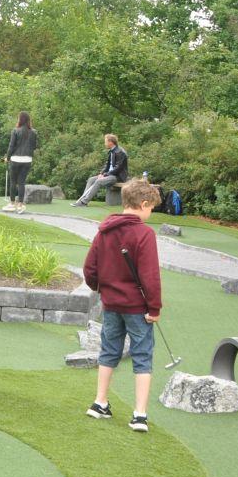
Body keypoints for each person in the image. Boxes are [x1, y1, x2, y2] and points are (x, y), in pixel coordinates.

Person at [83, 179, 163, 433]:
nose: (151, 214)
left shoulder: (105, 230)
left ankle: (100, 402)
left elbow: (89, 268)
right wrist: (154, 308)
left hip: (111, 303)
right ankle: (139, 415)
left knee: (108, 351)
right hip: (137, 307)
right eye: (151, 209)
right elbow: (150, 276)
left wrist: (101, 287)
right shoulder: (144, 233)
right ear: (144, 204)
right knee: (142, 356)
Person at [72, 133, 129, 206]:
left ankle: (84, 202)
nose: (105, 143)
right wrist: (102, 173)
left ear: (111, 142)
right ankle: (81, 200)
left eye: (106, 142)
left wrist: (105, 174)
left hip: (117, 177)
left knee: (99, 181)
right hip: (109, 175)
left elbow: (118, 168)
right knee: (91, 179)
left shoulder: (120, 152)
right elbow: (107, 165)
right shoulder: (111, 151)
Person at [3, 112, 38, 214]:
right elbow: (34, 146)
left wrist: (7, 158)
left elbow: (11, 146)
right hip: (27, 160)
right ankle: (20, 205)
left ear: (20, 119)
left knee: (13, 182)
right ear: (28, 120)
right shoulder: (34, 132)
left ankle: (12, 203)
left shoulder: (15, 131)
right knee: (21, 182)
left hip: (15, 159)